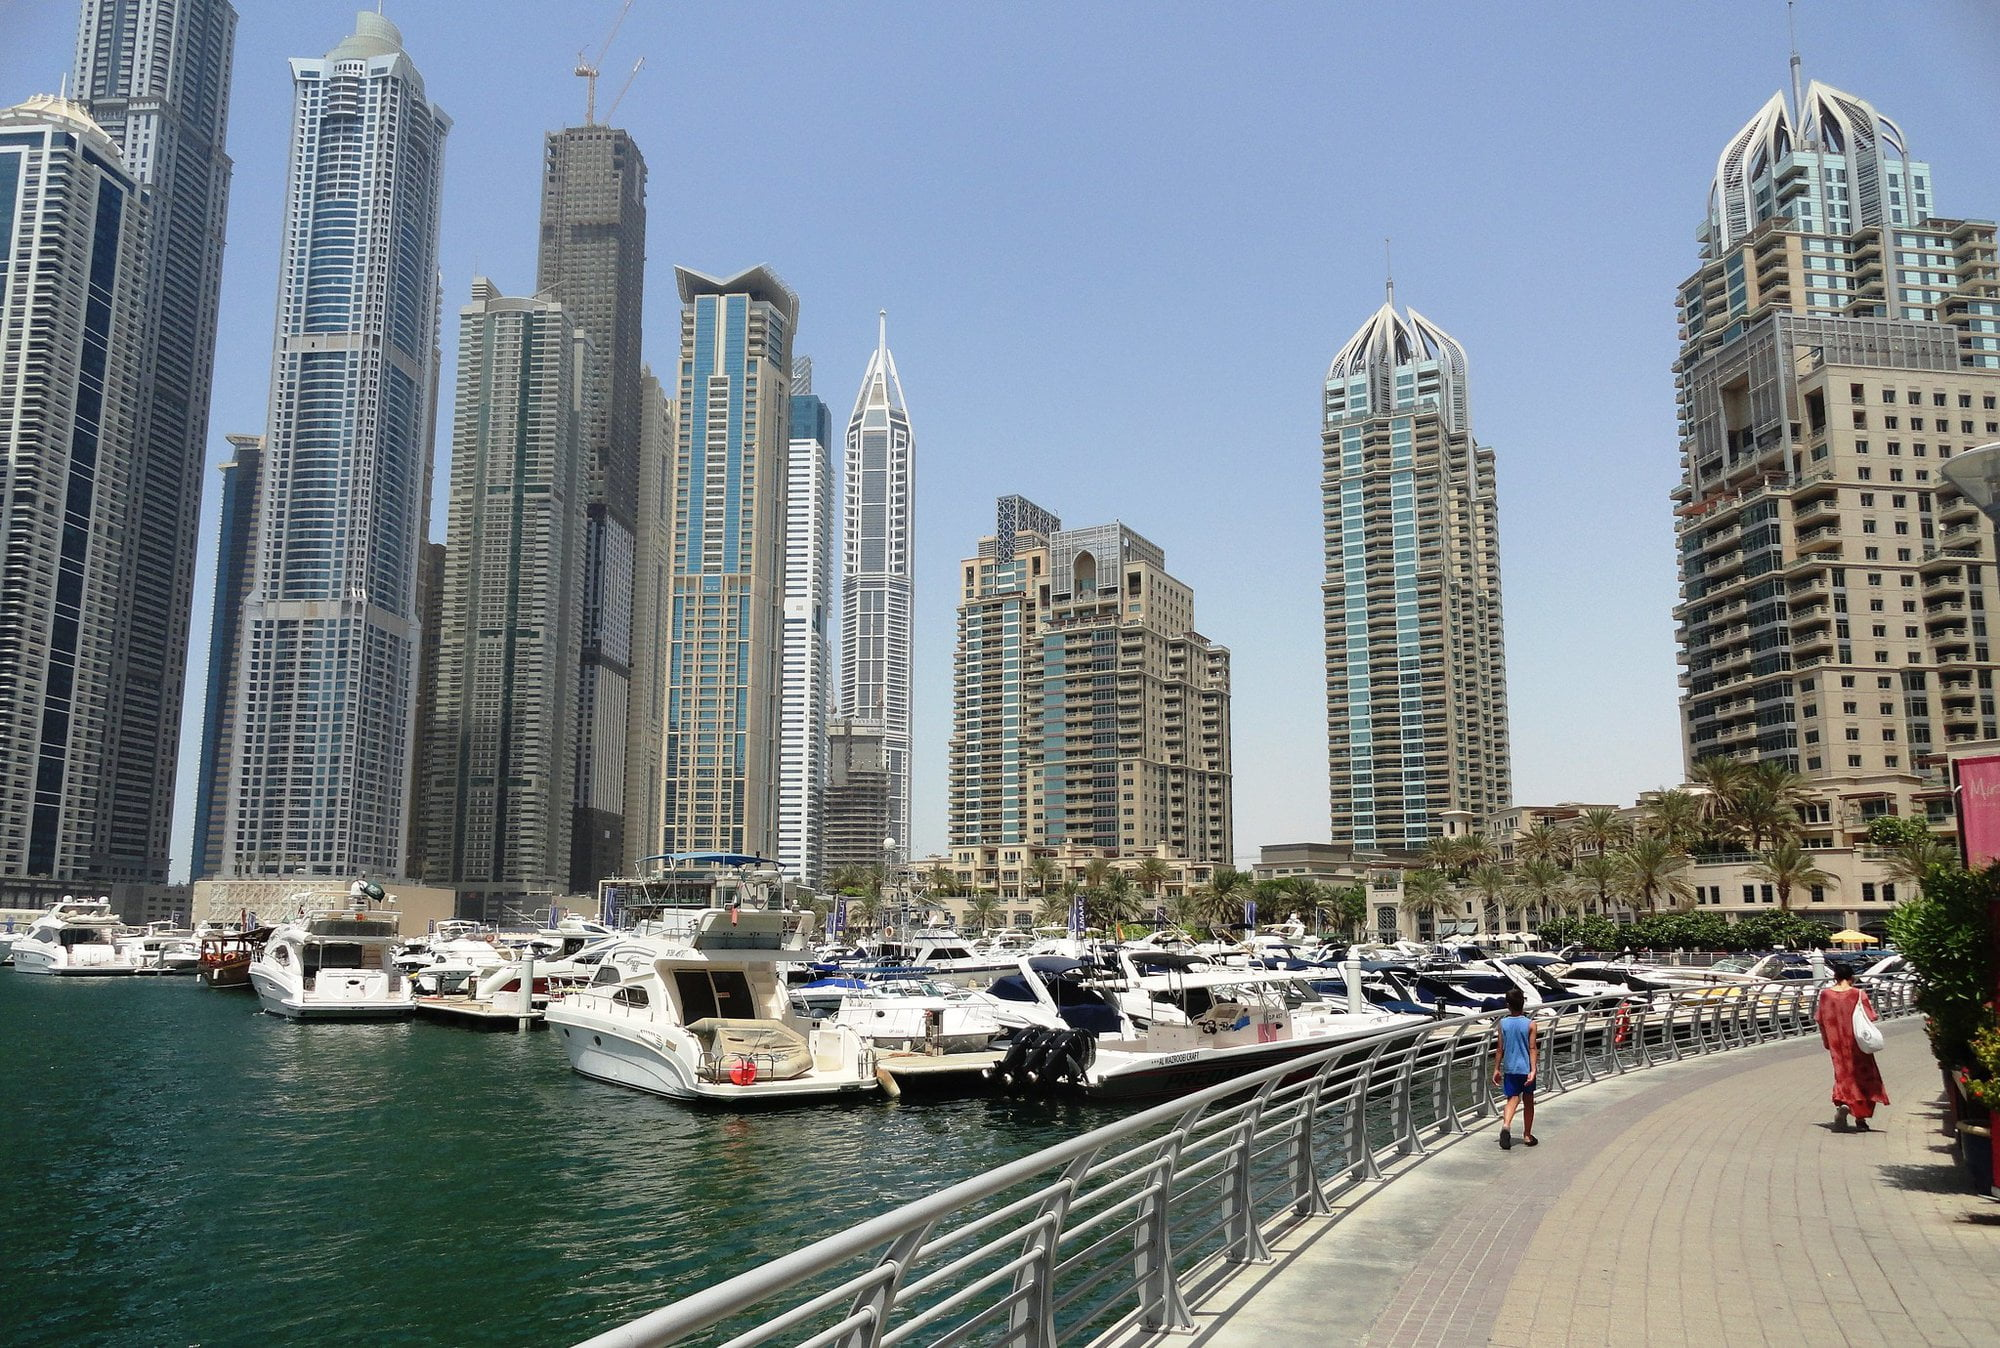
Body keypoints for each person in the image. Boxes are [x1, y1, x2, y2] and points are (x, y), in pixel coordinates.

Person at [1814, 959, 1888, 1130]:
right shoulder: (1858, 994)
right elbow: (1870, 1016)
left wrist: (1826, 1040)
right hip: (1857, 1042)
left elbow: (1820, 1020)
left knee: (1843, 1076)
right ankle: (1860, 1119)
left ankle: (1843, 1103)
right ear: (1852, 977)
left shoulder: (1825, 995)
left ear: (1835, 977)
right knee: (1864, 1077)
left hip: (1836, 1043)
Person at [1492, 987, 1537, 1150]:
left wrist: (1496, 1069)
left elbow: (1499, 1049)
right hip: (1525, 1069)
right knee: (1528, 1101)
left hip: (1510, 1068)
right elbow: (1532, 1048)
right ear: (1523, 1003)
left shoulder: (1503, 1023)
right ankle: (1527, 1135)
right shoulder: (1530, 1024)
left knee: (1512, 1098)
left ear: (1508, 1005)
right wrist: (1533, 1070)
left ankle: (1506, 1125)